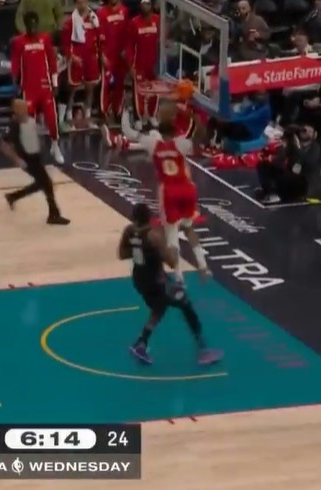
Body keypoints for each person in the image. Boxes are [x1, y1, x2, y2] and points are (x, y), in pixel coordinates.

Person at [118, 203, 222, 365]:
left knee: (159, 307)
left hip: (139, 279)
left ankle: (141, 343)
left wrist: (142, 252)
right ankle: (203, 350)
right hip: (158, 282)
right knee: (186, 305)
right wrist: (171, 249)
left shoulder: (129, 231)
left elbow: (122, 253)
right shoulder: (154, 236)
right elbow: (172, 262)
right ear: (150, 217)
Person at [120, 108, 210, 285]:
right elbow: (200, 138)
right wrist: (196, 119)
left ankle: (179, 276)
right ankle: (203, 265)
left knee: (172, 235)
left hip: (169, 190)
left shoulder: (153, 143)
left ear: (159, 131)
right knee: (189, 228)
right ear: (175, 131)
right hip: (186, 188)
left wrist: (126, 111)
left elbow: (128, 131)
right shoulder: (181, 143)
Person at [2, 99, 69, 225]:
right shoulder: (14, 125)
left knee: (42, 183)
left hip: (36, 157)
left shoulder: (31, 121)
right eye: (21, 107)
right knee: (47, 184)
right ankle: (54, 215)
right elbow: (4, 146)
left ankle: (13, 196)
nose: (25, 109)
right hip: (27, 159)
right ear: (16, 110)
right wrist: (17, 159)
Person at [10, 12, 64, 164]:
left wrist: (55, 83)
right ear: (26, 26)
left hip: (45, 87)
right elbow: (15, 64)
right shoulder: (19, 42)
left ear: (37, 24)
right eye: (30, 25)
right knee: (28, 123)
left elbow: (52, 61)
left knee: (52, 118)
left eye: (35, 24)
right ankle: (31, 152)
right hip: (28, 88)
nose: (33, 28)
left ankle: (55, 146)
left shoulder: (45, 38)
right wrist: (15, 84)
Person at [255, 124, 317, 204]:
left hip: (303, 183)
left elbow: (306, 165)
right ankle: (271, 193)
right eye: (304, 130)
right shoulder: (292, 145)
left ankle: (277, 192)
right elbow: (278, 162)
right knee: (264, 165)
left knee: (289, 175)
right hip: (290, 177)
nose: (305, 132)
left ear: (314, 135)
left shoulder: (315, 149)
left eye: (310, 131)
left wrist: (298, 150)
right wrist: (283, 148)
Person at [61, 0, 101, 124]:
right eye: (79, 2)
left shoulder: (94, 19)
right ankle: (68, 114)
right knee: (73, 88)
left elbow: (99, 38)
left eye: (83, 1)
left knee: (90, 86)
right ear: (76, 4)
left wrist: (98, 54)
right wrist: (72, 57)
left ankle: (88, 113)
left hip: (91, 57)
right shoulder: (70, 22)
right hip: (77, 57)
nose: (81, 4)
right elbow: (66, 44)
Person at [128, 0, 160, 126]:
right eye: (143, 4)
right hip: (139, 63)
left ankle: (152, 115)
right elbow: (130, 46)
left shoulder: (158, 20)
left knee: (155, 90)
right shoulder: (134, 23)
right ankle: (138, 118)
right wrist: (131, 65)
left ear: (151, 5)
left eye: (147, 4)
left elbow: (161, 41)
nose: (145, 7)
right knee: (139, 91)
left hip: (154, 63)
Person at [97, 0, 129, 121]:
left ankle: (118, 111)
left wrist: (126, 51)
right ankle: (103, 112)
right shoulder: (101, 13)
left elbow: (127, 32)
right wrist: (102, 54)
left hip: (120, 55)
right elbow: (99, 35)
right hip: (108, 54)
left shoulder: (124, 11)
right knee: (105, 85)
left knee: (120, 84)